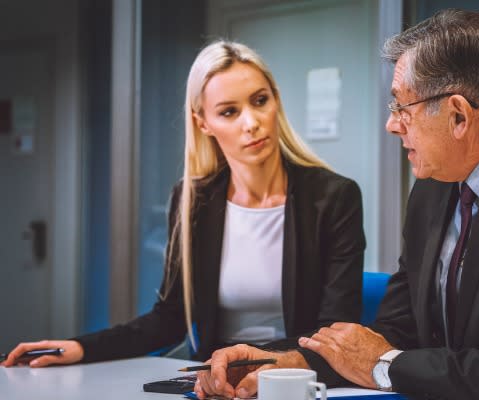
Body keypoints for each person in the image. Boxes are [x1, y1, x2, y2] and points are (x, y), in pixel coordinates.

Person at [195, 9, 479, 400]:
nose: (392, 126)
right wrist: (286, 363)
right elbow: (399, 329)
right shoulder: (435, 182)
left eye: (401, 107)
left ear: (457, 115)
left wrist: (386, 366)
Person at [1, 40, 365, 368]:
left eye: (259, 101)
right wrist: (80, 348)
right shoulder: (194, 200)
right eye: (228, 112)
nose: (251, 123)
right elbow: (170, 318)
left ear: (276, 100)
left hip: (292, 376)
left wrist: (264, 363)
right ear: (202, 122)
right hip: (213, 379)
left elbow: (333, 330)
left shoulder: (333, 197)